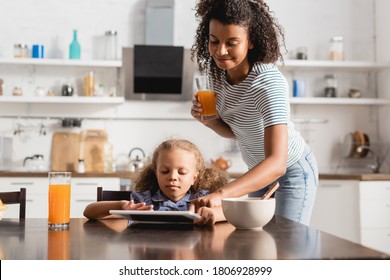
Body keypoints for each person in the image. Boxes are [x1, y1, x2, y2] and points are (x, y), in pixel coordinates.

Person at [189, 0, 318, 225]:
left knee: (288, 246)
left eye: (232, 43)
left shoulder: (267, 83)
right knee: (259, 241)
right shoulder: (217, 77)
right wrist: (210, 121)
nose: (220, 51)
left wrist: (222, 194)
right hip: (258, 173)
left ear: (250, 42)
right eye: (214, 41)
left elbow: (277, 163)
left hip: (291, 171)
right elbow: (238, 131)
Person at [83, 139, 228, 225]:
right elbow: (89, 212)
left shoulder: (203, 199)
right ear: (156, 173)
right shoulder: (142, 201)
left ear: (194, 178)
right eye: (165, 171)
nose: (173, 177)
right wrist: (121, 205)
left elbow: (230, 213)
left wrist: (214, 213)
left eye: (182, 172)